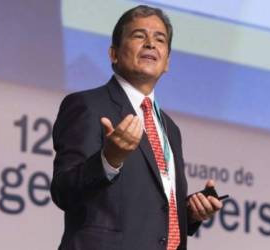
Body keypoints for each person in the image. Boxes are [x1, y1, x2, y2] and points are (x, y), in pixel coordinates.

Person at [51, 5, 222, 250]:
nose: (151, 44)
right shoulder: (87, 105)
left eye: (159, 39)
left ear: (167, 62)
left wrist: (190, 213)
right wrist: (109, 160)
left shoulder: (170, 128)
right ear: (114, 53)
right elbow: (63, 191)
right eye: (139, 35)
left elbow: (148, 210)